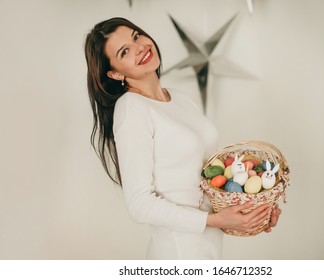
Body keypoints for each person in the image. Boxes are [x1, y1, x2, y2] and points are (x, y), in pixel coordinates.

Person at [84, 17, 282, 259]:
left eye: (136, 36)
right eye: (125, 51)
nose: (140, 48)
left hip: (208, 249)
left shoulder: (179, 98)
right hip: (177, 252)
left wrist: (253, 211)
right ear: (114, 73)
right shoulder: (132, 107)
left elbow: (208, 182)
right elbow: (140, 205)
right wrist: (212, 219)